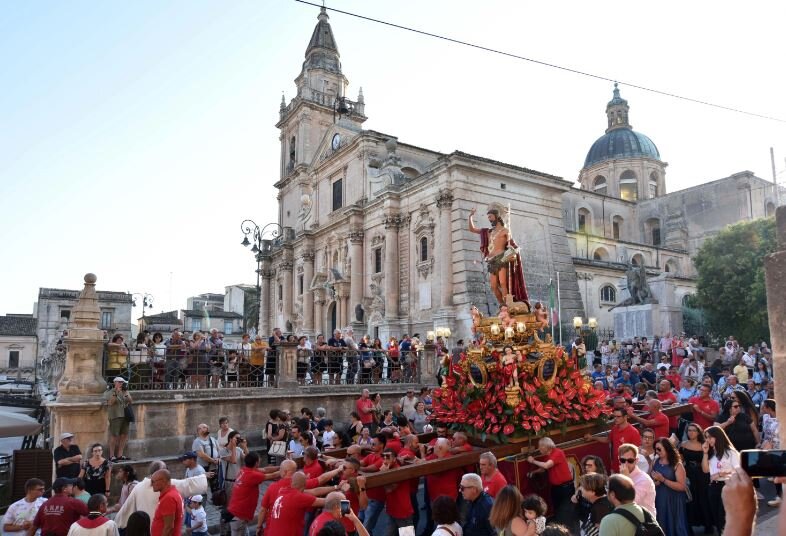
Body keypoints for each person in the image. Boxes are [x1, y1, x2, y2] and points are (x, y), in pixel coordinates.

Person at [114, 461, 207, 530]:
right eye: (166, 469)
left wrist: (116, 524)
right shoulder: (167, 484)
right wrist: (204, 477)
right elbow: (188, 484)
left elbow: (125, 511)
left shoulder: (139, 486)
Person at [468, 206, 528, 305]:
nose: (489, 220)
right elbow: (472, 229)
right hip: (491, 260)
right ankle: (502, 306)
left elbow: (512, 245)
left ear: (496, 217)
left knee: (503, 283)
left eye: (490, 217)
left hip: (501, 259)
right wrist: (470, 216)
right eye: (488, 218)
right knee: (494, 287)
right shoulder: (488, 232)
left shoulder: (505, 231)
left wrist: (512, 251)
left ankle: (507, 307)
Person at [526, 437, 575, 528]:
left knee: (566, 512)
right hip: (556, 488)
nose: (539, 448)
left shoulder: (557, 452)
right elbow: (543, 468)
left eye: (540, 446)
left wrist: (533, 461)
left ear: (546, 446)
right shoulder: (547, 456)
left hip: (565, 488)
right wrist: (533, 472)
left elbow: (547, 465)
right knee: (557, 511)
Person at [701, 426, 740, 533]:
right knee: (717, 518)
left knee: (723, 517)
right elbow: (705, 470)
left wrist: (719, 474)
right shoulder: (711, 452)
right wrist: (704, 453)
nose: (708, 440)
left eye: (710, 437)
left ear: (717, 436)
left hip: (727, 486)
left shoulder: (730, 452)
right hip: (714, 487)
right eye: (706, 438)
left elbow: (738, 471)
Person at [651, 439, 689, 536]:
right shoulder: (656, 461)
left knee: (675, 526)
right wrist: (655, 482)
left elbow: (682, 486)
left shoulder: (677, 464)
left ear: (667, 449)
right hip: (660, 499)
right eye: (656, 449)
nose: (657, 452)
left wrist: (663, 480)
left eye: (659, 449)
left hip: (674, 501)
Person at [678, 423, 712, 533]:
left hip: (702, 473)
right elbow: (680, 460)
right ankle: (690, 525)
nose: (691, 432)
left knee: (703, 498)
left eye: (693, 430)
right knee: (690, 499)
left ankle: (708, 525)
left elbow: (709, 460)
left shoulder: (704, 444)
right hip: (688, 474)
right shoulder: (683, 444)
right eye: (689, 430)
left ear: (698, 432)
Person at [585, 408, 641, 473]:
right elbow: (607, 439)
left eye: (618, 417)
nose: (615, 419)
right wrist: (592, 438)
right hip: (615, 467)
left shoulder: (633, 432)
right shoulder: (615, 428)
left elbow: (637, 452)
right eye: (614, 416)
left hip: (627, 469)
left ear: (625, 417)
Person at [617, 444, 656, 517]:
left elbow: (631, 502)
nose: (626, 464)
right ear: (619, 459)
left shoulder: (644, 479)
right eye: (623, 460)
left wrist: (626, 479)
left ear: (636, 460)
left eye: (630, 460)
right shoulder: (620, 476)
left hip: (645, 523)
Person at [103, 377, 133, 461]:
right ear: (115, 383)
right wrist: (116, 393)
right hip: (115, 415)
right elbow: (110, 403)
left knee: (124, 435)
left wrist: (126, 393)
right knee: (114, 435)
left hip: (125, 416)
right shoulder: (109, 392)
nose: (121, 384)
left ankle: (120, 454)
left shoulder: (125, 391)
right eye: (119, 382)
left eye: (122, 382)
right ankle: (111, 455)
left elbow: (130, 401)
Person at [151, 470, 183, 536]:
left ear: (163, 481)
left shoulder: (168, 498)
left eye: (153, 481)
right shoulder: (173, 493)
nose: (151, 484)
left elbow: (169, 528)